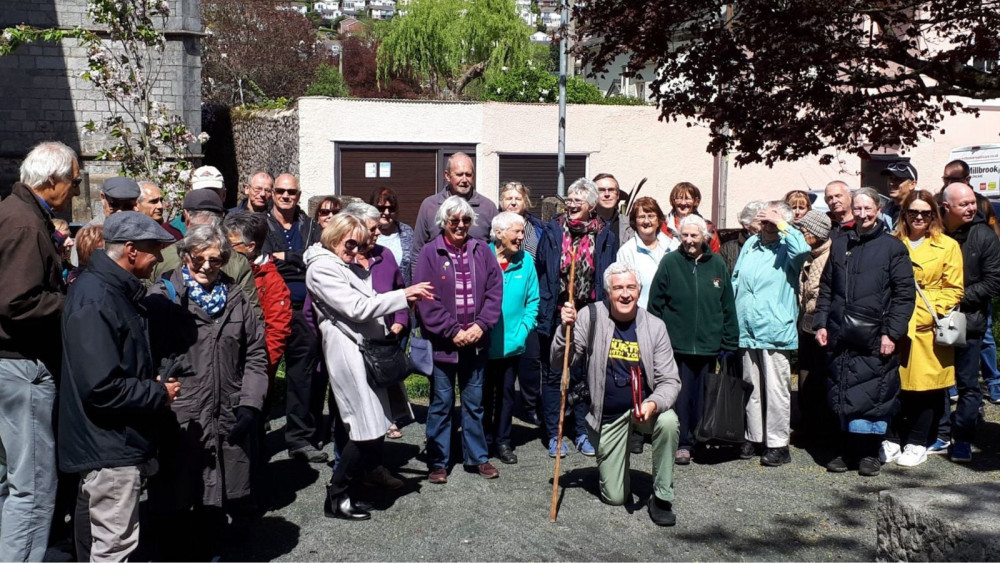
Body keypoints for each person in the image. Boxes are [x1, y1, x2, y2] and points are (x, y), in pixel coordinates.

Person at [59, 211, 179, 561]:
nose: (158, 257)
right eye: (153, 248)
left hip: (109, 441)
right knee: (115, 548)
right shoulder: (99, 297)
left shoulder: (109, 291)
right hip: (111, 445)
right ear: (130, 250)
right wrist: (159, 393)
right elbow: (101, 388)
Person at [144, 225, 268, 556]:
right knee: (176, 498)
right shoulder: (164, 297)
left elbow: (256, 354)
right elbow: (146, 357)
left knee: (223, 501)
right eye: (197, 258)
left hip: (228, 411)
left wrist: (250, 403)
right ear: (185, 256)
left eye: (214, 260)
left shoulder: (236, 297)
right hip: (181, 414)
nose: (205, 266)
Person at [304, 213, 435, 520]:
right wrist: (404, 295)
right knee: (363, 426)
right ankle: (337, 496)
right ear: (333, 236)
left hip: (364, 350)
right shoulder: (322, 268)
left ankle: (348, 489)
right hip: (348, 352)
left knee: (372, 425)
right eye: (350, 243)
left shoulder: (339, 264)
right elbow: (358, 307)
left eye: (360, 244)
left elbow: (369, 298)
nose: (355, 250)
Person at [551, 262, 681, 526]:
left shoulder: (655, 326)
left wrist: (654, 403)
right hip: (606, 416)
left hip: (642, 410)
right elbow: (560, 362)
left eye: (631, 287)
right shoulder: (590, 316)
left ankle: (662, 496)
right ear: (608, 292)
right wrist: (564, 330)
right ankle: (615, 463)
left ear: (639, 290)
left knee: (669, 421)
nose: (625, 294)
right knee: (615, 497)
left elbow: (670, 380)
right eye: (618, 287)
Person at [0, 141, 79, 561]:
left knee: (13, 482)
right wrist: (74, 301)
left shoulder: (20, 215)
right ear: (51, 181)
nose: (75, 191)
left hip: (14, 365)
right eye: (74, 181)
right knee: (32, 487)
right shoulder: (24, 224)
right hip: (21, 366)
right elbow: (16, 302)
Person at [814, 187, 915, 477]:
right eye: (857, 208)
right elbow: (826, 289)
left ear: (878, 209)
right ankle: (848, 449)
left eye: (868, 208)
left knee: (875, 391)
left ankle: (870, 452)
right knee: (843, 386)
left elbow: (904, 295)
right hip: (841, 332)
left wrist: (892, 333)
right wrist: (821, 322)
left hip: (875, 334)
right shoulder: (839, 243)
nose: (862, 214)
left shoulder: (893, 247)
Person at [414, 196, 503, 483]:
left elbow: (494, 290)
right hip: (443, 345)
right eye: (454, 220)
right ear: (444, 222)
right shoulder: (430, 252)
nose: (461, 225)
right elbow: (426, 299)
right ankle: (438, 461)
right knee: (441, 403)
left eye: (466, 220)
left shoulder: (482, 250)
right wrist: (453, 331)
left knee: (474, 403)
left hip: (476, 342)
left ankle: (477, 457)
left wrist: (481, 325)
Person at [877, 191, 963, 468]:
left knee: (925, 390)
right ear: (904, 214)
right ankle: (890, 438)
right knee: (890, 387)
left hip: (927, 328)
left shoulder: (946, 245)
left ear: (934, 216)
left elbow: (954, 288)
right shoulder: (891, 243)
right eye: (913, 212)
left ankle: (917, 442)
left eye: (926, 213)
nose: (919, 217)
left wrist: (931, 312)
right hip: (893, 324)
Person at [647, 214, 737, 465]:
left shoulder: (717, 264)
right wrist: (657, 339)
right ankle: (682, 443)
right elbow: (655, 305)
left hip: (709, 344)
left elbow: (727, 305)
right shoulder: (670, 262)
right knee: (681, 396)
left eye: (694, 235)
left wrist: (729, 341)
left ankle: (702, 438)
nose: (688, 240)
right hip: (677, 345)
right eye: (684, 235)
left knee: (704, 396)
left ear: (704, 237)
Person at [536, 178, 616, 457]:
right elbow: (542, 270)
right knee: (554, 373)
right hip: (557, 310)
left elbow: (605, 275)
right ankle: (553, 435)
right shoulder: (553, 231)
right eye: (569, 199)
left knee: (583, 375)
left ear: (592, 205)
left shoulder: (604, 234)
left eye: (578, 200)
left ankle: (582, 431)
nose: (571, 204)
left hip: (589, 312)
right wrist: (555, 307)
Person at [731, 200, 810, 466]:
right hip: (747, 326)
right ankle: (753, 437)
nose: (767, 227)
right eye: (764, 222)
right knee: (750, 386)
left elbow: (802, 249)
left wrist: (782, 224)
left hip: (775, 327)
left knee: (777, 389)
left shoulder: (788, 247)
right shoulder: (752, 245)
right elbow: (736, 279)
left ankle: (778, 443)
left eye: (771, 223)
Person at [263, 173, 327, 463]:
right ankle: (254, 435)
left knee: (302, 377)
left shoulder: (311, 226)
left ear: (299, 195)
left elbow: (317, 258)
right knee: (262, 373)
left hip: (304, 311)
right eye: (280, 191)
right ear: (273, 193)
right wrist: (297, 258)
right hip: (271, 311)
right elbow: (261, 260)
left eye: (291, 192)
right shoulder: (261, 224)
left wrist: (286, 257)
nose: (286, 196)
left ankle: (298, 438)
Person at [936, 183, 1000, 463]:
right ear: (946, 207)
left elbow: (994, 280)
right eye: (964, 204)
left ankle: (962, 437)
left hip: (968, 320)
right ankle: (937, 432)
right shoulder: (933, 232)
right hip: (933, 317)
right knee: (935, 379)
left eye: (972, 202)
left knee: (967, 384)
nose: (971, 208)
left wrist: (957, 300)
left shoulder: (983, 235)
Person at [343, 202, 411, 445]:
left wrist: (400, 323)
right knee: (350, 411)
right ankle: (345, 470)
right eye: (372, 229)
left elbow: (401, 292)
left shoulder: (385, 255)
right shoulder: (339, 261)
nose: (379, 233)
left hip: (383, 343)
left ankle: (376, 466)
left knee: (380, 407)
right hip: (350, 346)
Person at [149, 189, 263, 319]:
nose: (207, 266)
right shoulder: (238, 262)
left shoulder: (161, 258)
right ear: (221, 218)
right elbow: (254, 316)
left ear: (186, 217)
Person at [484, 212, 540, 465]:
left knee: (507, 395)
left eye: (522, 231)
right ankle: (482, 439)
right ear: (499, 234)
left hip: (512, 344)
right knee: (482, 395)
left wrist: (523, 330)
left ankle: (503, 441)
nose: (521, 237)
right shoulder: (481, 257)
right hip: (482, 343)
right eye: (516, 232)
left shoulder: (526, 261)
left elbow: (533, 301)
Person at [498, 181, 550, 425]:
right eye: (508, 197)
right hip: (504, 303)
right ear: (501, 202)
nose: (513, 202)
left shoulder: (539, 228)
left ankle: (530, 405)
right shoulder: (495, 228)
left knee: (531, 360)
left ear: (526, 202)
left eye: (518, 198)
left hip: (532, 297)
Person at [222, 212, 293, 384]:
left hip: (252, 370)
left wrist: (259, 369)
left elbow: (277, 331)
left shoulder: (271, 280)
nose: (223, 250)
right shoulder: (222, 267)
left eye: (230, 245)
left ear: (250, 246)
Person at [793, 209, 835, 439]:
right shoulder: (810, 255)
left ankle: (821, 428)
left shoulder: (829, 256)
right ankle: (808, 423)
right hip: (806, 323)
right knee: (805, 376)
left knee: (819, 376)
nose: (802, 233)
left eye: (805, 230)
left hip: (821, 323)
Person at [412, 152, 498, 261]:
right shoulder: (430, 206)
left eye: (468, 174)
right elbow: (417, 251)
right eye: (459, 175)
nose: (464, 180)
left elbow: (498, 249)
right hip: (438, 274)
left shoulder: (488, 207)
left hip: (477, 275)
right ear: (447, 175)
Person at [615, 197, 678, 308]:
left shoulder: (674, 246)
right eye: (641, 217)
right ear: (634, 221)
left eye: (651, 216)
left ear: (659, 220)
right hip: (642, 316)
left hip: (672, 314)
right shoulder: (627, 252)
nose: (646, 221)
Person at [369, 187, 415, 285]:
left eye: (391, 209)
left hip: (403, 295)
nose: (386, 213)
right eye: (381, 208)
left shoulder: (406, 231)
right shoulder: (365, 232)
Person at [662, 182, 719, 252]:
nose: (683, 203)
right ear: (672, 201)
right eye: (679, 198)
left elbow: (715, 254)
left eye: (688, 199)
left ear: (696, 201)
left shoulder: (707, 227)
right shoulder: (662, 225)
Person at [719, 201, 764, 275]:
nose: (765, 227)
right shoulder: (728, 249)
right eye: (760, 223)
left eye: (766, 223)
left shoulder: (773, 246)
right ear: (746, 225)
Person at [593, 173, 633, 248]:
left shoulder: (630, 225)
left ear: (617, 195)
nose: (607, 194)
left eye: (611, 190)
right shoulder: (584, 225)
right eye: (601, 190)